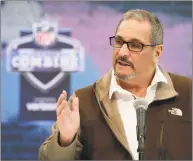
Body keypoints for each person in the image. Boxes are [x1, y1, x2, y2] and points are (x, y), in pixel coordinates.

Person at [39, 9, 192, 160]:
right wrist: (65, 140)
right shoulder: (83, 101)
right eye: (119, 42)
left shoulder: (187, 92)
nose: (123, 52)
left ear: (157, 53)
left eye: (135, 45)